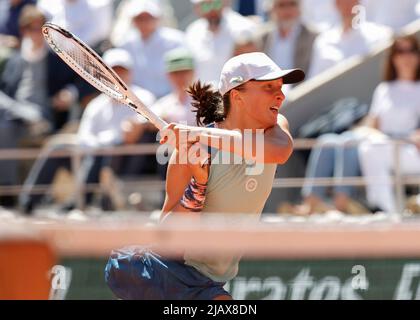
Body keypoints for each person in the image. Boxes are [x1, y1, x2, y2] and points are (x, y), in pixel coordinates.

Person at [105, 52, 305, 299]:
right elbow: (168, 234)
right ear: (237, 96)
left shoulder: (276, 129)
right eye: (268, 87)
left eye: (280, 87)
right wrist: (197, 186)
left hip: (211, 278)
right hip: (170, 273)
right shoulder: (191, 152)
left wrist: (195, 134)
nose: (280, 94)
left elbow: (279, 152)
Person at [19, 48, 156, 214]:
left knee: (103, 151)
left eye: (122, 71)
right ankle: (28, 202)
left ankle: (79, 203)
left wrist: (105, 142)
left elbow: (138, 128)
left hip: (126, 159)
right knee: (58, 148)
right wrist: (99, 144)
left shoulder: (144, 97)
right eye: (113, 72)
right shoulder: (96, 104)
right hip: (95, 154)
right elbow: (85, 136)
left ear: (130, 73)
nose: (118, 76)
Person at [358, 35, 420, 213]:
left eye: (411, 51)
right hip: (386, 145)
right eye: (400, 51)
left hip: (413, 150)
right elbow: (372, 125)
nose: (406, 56)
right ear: (393, 57)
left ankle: (385, 210)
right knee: (366, 147)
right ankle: (387, 209)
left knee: (370, 150)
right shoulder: (384, 89)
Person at [308, 0, 392, 78]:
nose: (347, 4)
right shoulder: (323, 42)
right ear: (336, 4)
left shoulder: (380, 36)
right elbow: (314, 80)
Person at [119, 0, 185, 98]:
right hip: (138, 102)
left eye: (148, 18)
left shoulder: (175, 40)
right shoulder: (125, 44)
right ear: (133, 21)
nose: (144, 22)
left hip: (170, 101)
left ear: (157, 18)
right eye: (140, 18)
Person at [186, 0, 257, 85]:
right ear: (197, 8)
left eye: (216, 3)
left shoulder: (244, 28)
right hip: (203, 95)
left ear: (225, 2)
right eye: (205, 6)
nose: (211, 10)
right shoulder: (192, 32)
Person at [262, 0, 317, 77]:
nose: (287, 10)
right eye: (281, 5)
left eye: (292, 4)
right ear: (273, 9)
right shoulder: (262, 37)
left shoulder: (313, 37)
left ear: (300, 7)